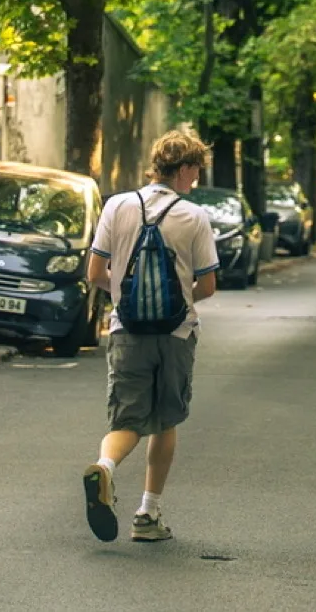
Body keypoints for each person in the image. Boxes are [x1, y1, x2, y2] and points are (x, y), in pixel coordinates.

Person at [80, 129, 220, 544]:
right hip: (176, 335)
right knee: (165, 420)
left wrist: (127, 297)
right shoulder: (193, 216)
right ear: (187, 168)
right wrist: (178, 303)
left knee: (127, 419)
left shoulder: (118, 205)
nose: (195, 180)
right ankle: (148, 513)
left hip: (127, 331)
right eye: (196, 171)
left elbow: (94, 274)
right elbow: (208, 286)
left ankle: (105, 466)